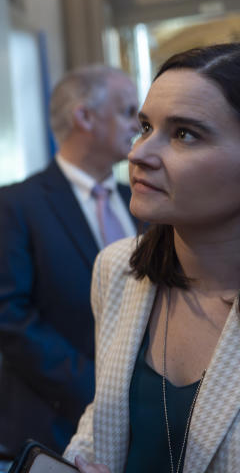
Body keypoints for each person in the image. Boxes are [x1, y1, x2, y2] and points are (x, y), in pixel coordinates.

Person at [66, 43, 240, 473]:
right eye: (145, 127)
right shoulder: (119, 270)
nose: (138, 154)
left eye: (184, 134)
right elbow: (103, 423)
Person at [0, 65, 141, 453]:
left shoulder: (142, 201)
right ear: (84, 116)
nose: (138, 125)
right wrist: (98, 388)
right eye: (128, 111)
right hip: (53, 422)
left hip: (144, 419)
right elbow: (5, 313)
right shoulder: (16, 204)